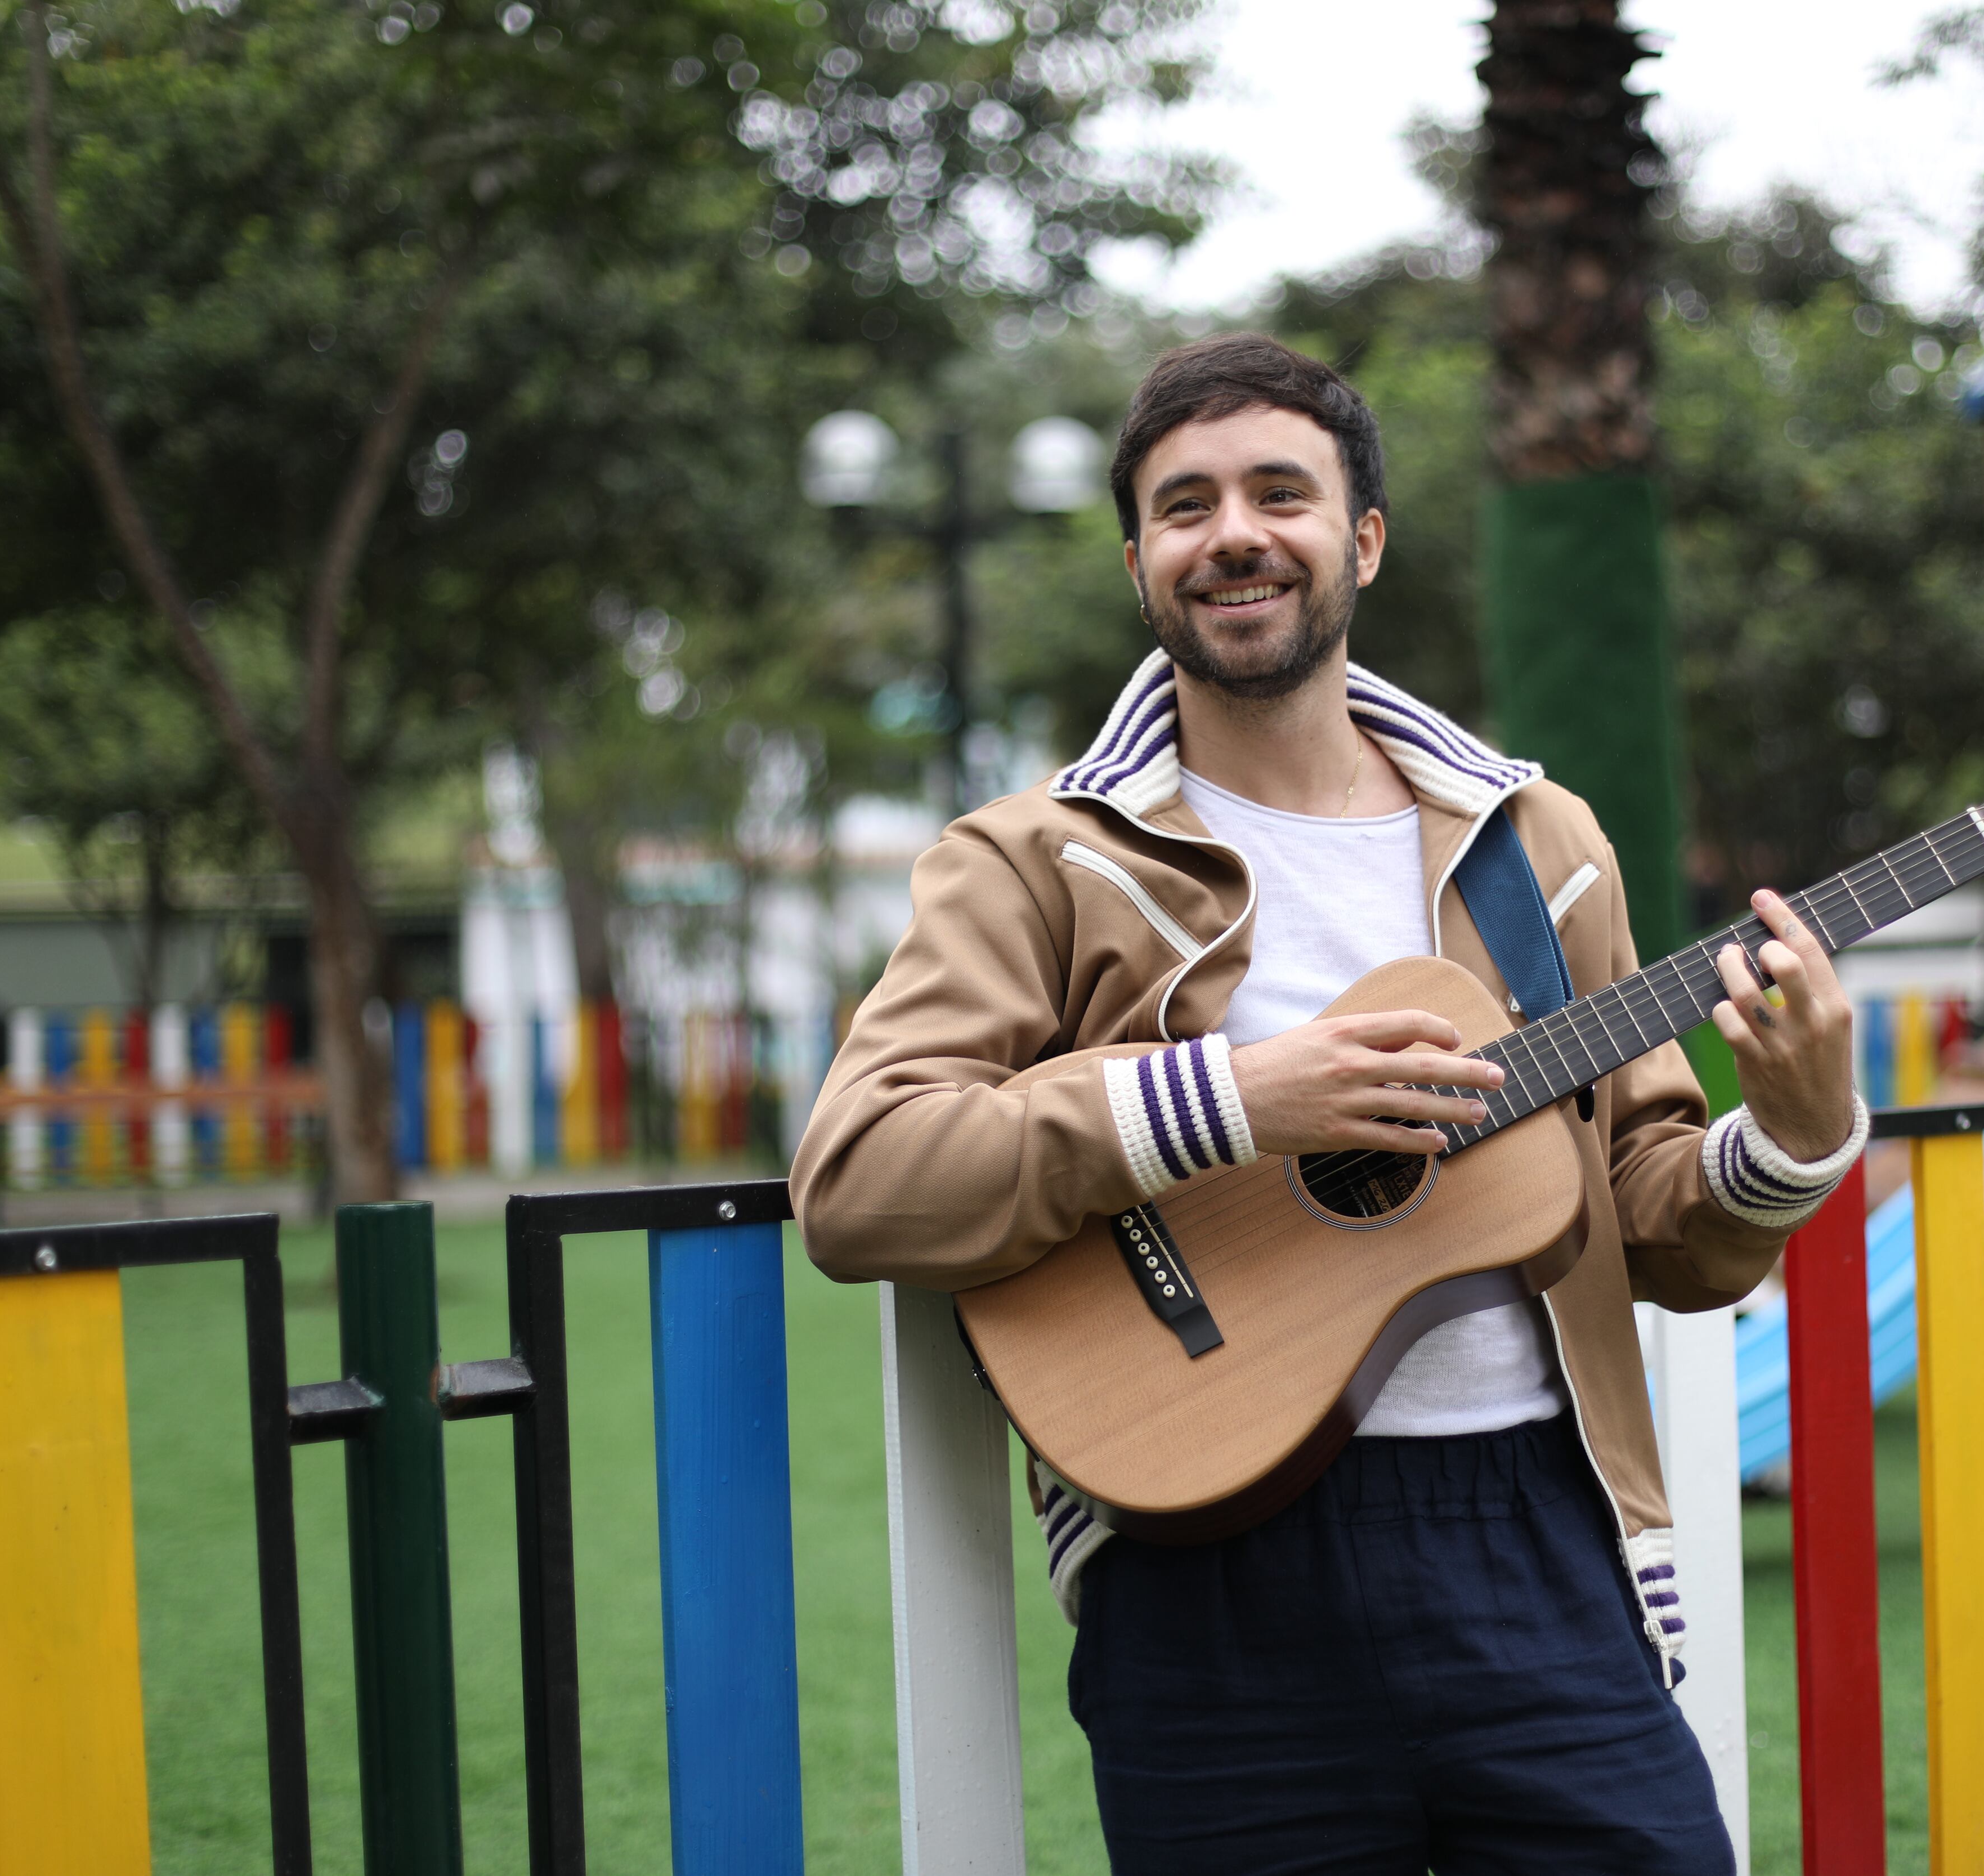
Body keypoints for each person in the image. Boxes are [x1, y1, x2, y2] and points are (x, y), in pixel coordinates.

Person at [793, 332, 1865, 1874]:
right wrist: (1232, 1099)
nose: (1233, 533)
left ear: (1362, 540)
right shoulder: (1034, 860)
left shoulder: (1536, 841)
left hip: (1536, 1527)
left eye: (1279, 494)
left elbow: (1654, 1217)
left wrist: (1793, 1139)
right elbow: (861, 1175)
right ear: (1140, 566)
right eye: (1186, 506)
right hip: (1201, 1559)